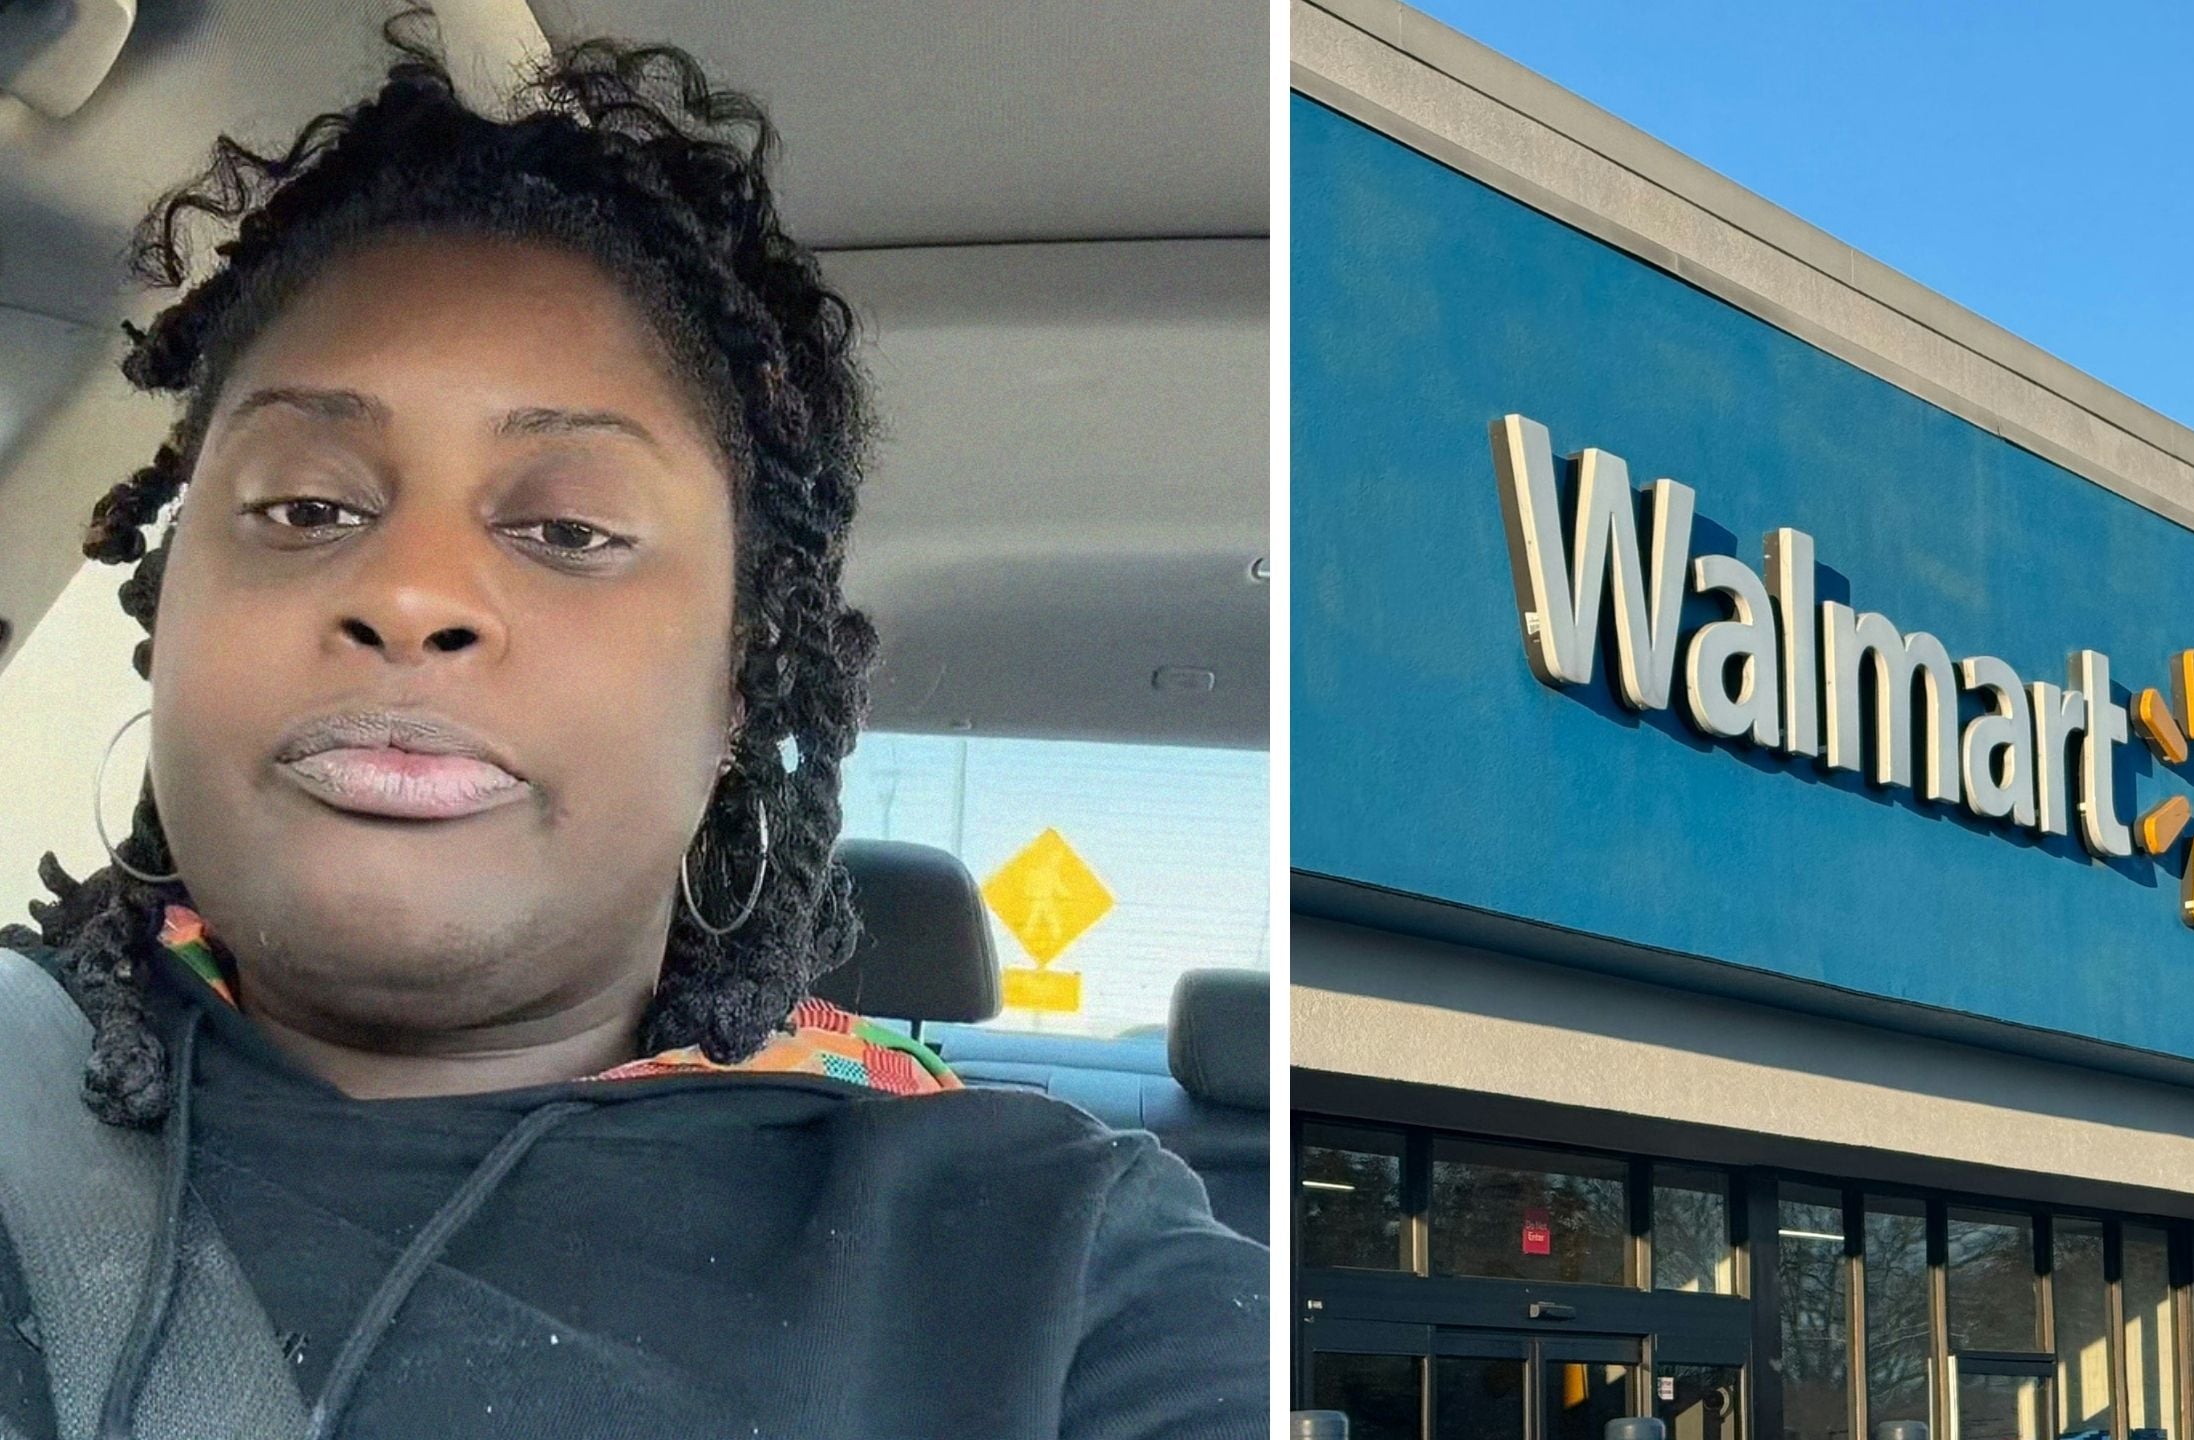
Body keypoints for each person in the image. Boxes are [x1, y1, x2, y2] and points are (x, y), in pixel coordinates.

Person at [0, 14, 1267, 1438]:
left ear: (737, 690)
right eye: (307, 509)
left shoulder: (1060, 1269)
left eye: (566, 527)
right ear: (169, 611)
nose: (411, 593)